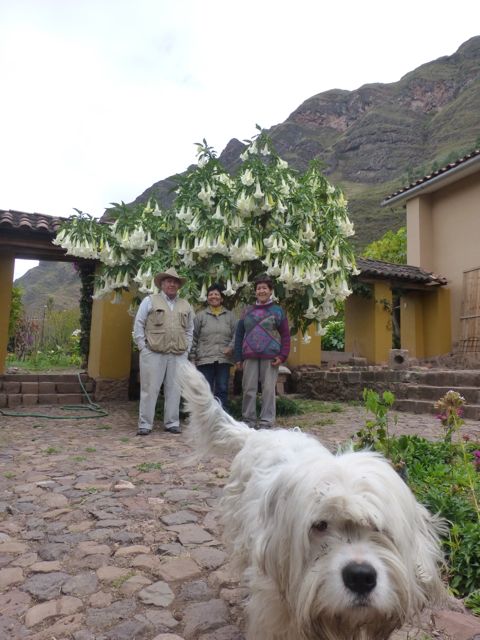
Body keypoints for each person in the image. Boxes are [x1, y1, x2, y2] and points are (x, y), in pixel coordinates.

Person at [133, 267, 194, 436]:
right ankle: (145, 424)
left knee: (175, 389)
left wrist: (187, 349)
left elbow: (190, 329)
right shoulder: (149, 301)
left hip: (178, 353)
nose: (172, 284)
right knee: (149, 389)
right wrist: (142, 347)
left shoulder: (186, 305)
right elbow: (139, 324)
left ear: (179, 286)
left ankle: (172, 423)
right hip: (153, 352)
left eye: (175, 282)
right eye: (168, 281)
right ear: (162, 284)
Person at [234, 274, 290, 429]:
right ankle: (248, 420)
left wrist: (283, 355)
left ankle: (267, 421)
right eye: (259, 288)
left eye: (265, 288)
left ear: (270, 291)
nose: (261, 291)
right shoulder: (247, 311)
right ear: (255, 291)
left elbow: (286, 335)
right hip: (249, 356)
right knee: (248, 389)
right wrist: (238, 357)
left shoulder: (277, 311)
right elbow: (239, 334)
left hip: (270, 357)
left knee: (268, 390)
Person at [190, 283, 236, 409]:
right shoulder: (200, 316)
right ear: (207, 298)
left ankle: (221, 416)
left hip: (223, 359)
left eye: (216, 294)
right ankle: (205, 417)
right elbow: (193, 337)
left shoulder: (230, 316)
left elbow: (237, 335)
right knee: (205, 390)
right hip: (204, 359)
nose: (213, 296)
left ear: (222, 298)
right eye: (210, 294)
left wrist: (231, 347)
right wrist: (192, 357)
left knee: (222, 389)